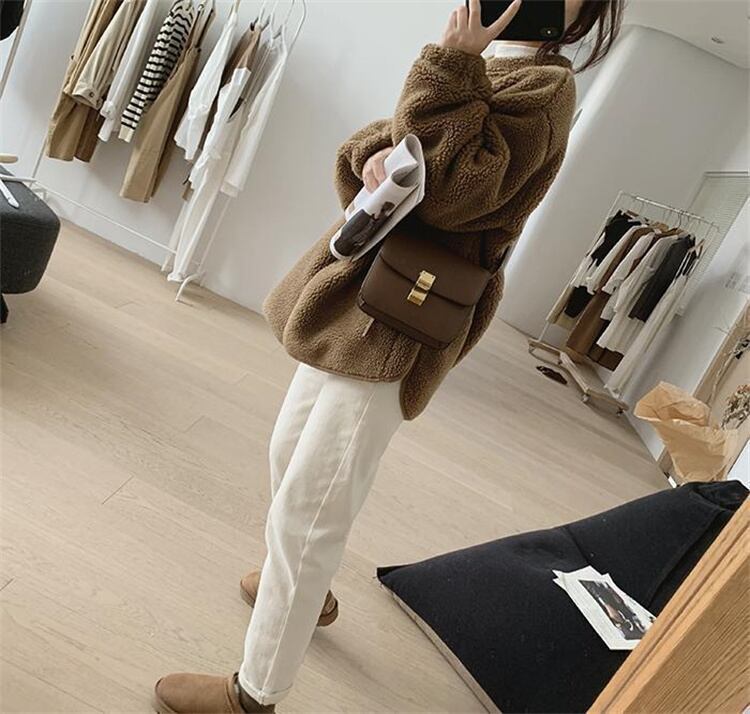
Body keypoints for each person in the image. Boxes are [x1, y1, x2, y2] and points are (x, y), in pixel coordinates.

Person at [154, 0, 624, 711]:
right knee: (289, 451)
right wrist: (376, 155)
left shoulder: (546, 86)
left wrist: (452, 64)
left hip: (408, 310)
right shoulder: (490, 63)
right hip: (368, 288)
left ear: (583, 13)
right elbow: (412, 146)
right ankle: (308, 595)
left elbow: (461, 194)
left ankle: (255, 694)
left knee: (312, 504)